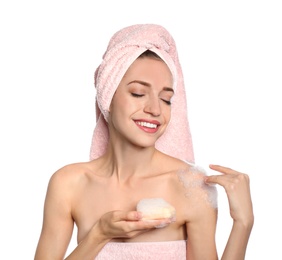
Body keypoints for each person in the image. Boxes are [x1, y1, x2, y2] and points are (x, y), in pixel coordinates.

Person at [34, 24, 254, 260]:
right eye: (138, 93)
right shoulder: (68, 184)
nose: (155, 109)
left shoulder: (191, 186)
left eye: (166, 99)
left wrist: (243, 224)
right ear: (106, 96)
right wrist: (99, 234)